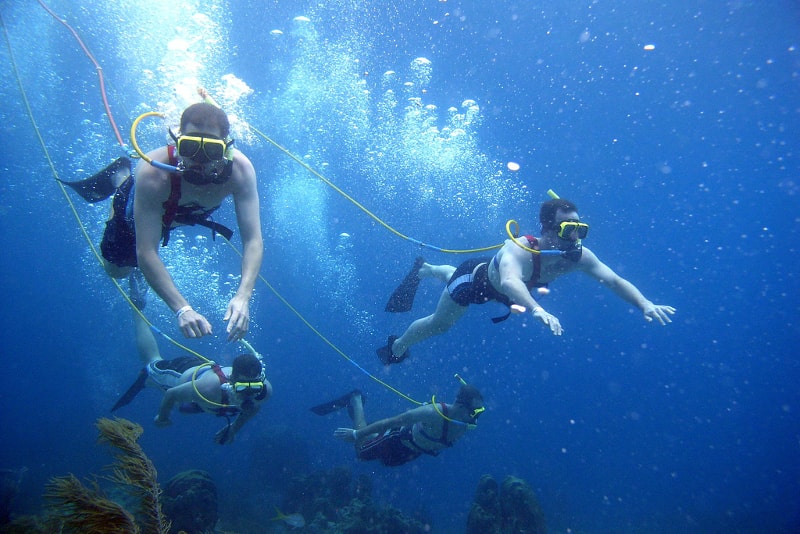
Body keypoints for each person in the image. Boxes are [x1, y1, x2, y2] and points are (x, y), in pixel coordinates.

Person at [378, 197, 676, 364]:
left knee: (450, 277)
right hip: (475, 283)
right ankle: (399, 346)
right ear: (547, 228)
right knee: (440, 325)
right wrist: (537, 309)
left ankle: (430, 269)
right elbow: (509, 282)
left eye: (580, 229)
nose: (574, 237)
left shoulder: (580, 256)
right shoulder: (519, 249)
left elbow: (613, 280)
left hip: (504, 290)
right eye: (567, 229)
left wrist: (644, 303)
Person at [70, 93, 263, 341]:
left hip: (179, 214)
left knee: (139, 262)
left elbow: (253, 241)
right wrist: (182, 309)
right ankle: (121, 179)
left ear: (226, 150)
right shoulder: (153, 173)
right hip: (134, 210)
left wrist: (243, 297)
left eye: (212, 150)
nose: (199, 161)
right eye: (191, 147)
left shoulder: (240, 171)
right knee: (117, 271)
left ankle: (148, 273)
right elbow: (146, 251)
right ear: (177, 142)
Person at [111, 322, 272, 445]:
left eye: (254, 387)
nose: (249, 394)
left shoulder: (264, 391)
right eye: (243, 387)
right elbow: (171, 394)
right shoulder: (208, 389)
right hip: (179, 372)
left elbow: (254, 407)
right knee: (152, 360)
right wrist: (162, 417)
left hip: (204, 380)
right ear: (232, 380)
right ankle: (138, 310)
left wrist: (234, 429)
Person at [311, 384, 484, 466]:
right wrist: (356, 434)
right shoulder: (432, 413)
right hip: (396, 440)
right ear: (461, 407)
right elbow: (392, 422)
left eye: (479, 412)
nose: (476, 418)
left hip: (411, 452)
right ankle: (355, 400)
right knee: (361, 450)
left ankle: (365, 427)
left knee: (381, 459)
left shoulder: (464, 422)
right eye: (475, 412)